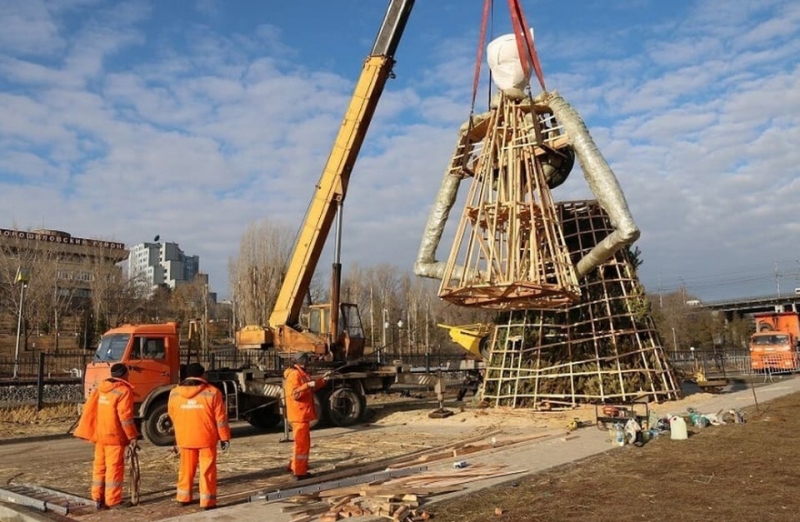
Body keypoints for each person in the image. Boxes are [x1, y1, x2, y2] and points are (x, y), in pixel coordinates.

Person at [74, 362, 139, 510]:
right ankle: (113, 500)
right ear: (125, 375)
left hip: (100, 435)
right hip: (114, 436)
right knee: (114, 468)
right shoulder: (123, 391)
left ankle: (97, 497)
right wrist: (132, 436)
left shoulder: (101, 388)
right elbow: (126, 418)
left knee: (99, 467)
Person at [168, 363, 231, 510]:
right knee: (207, 471)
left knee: (185, 470)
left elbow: (172, 414)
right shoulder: (213, 392)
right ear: (202, 375)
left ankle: (183, 497)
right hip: (206, 438)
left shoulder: (174, 392)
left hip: (184, 438)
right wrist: (224, 437)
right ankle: (207, 501)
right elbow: (220, 419)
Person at [283, 352, 329, 480]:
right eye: (306, 360)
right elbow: (295, 395)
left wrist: (322, 380)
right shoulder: (294, 375)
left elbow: (311, 388)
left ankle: (294, 466)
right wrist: (307, 385)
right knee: (301, 444)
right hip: (299, 415)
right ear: (299, 361)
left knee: (301, 443)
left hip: (301, 414)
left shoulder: (301, 374)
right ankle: (299, 472)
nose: (308, 362)